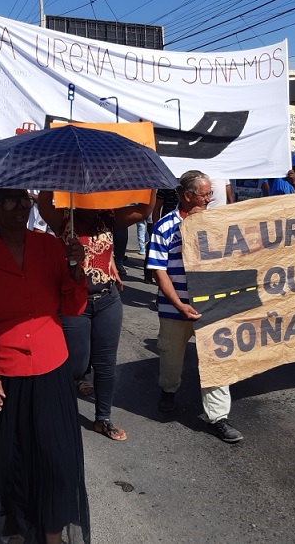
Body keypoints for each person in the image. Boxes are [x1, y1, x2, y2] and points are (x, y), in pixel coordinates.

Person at [0, 188, 90, 544]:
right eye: (9, 200)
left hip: (51, 366)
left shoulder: (50, 247)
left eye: (23, 199)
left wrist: (77, 270)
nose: (19, 206)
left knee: (55, 457)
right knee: (9, 456)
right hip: (3, 370)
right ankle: (14, 517)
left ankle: (52, 533)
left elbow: (73, 307)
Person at [38, 190, 155, 441]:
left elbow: (144, 210)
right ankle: (61, 412)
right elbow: (44, 204)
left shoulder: (108, 217)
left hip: (108, 300)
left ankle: (103, 419)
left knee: (105, 365)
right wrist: (51, 176)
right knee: (76, 366)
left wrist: (152, 185)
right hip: (74, 304)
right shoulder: (63, 219)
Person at [147, 170, 244, 443]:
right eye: (204, 194)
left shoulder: (218, 224)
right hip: (174, 309)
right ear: (188, 196)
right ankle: (168, 391)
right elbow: (158, 269)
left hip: (211, 308)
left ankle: (219, 418)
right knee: (170, 357)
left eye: (210, 194)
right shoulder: (164, 227)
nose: (209, 199)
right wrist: (178, 304)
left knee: (217, 361)